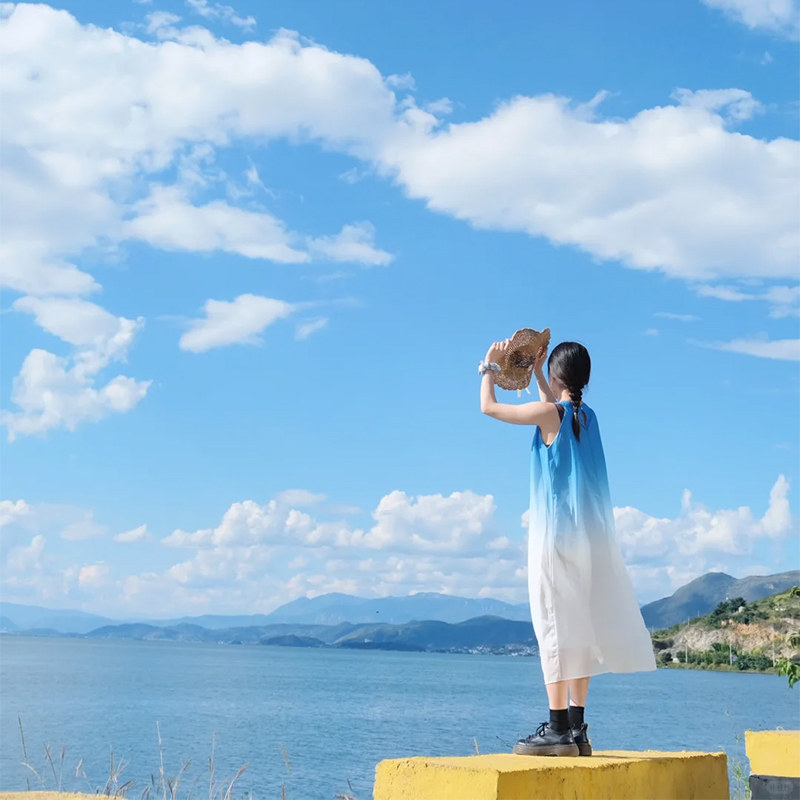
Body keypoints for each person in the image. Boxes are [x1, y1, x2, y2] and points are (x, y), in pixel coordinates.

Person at [479, 337, 656, 757]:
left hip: (555, 540)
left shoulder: (551, 415)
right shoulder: (587, 417)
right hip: (589, 542)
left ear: (559, 376)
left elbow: (488, 407)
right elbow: (554, 408)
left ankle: (557, 729)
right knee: (580, 628)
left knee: (555, 627)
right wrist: (539, 373)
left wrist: (487, 366)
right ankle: (576, 729)